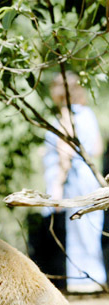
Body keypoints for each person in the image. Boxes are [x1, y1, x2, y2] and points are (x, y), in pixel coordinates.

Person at [42, 71, 106, 293]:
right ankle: (95, 281)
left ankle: (82, 286)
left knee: (77, 231)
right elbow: (98, 148)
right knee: (91, 229)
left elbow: (64, 155)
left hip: (75, 181)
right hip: (91, 178)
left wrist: (57, 186)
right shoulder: (88, 114)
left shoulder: (65, 116)